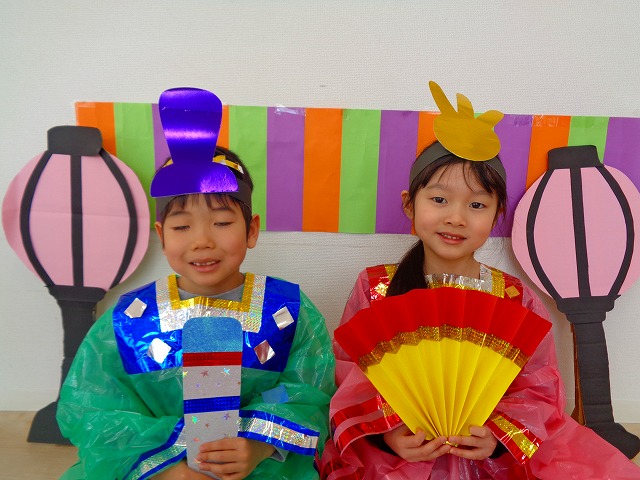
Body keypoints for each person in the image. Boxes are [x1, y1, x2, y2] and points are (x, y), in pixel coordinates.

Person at [316, 82, 640, 479]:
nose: (456, 217)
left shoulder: (515, 298)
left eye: (476, 204)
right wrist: (389, 434)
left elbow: (538, 388)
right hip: (400, 458)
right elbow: (350, 374)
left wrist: (498, 438)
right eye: (439, 199)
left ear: (497, 213)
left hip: (488, 459)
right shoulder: (376, 287)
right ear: (409, 204)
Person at [56, 87, 336, 480]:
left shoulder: (288, 311)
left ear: (251, 229)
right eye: (182, 226)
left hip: (259, 467)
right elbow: (95, 409)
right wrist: (169, 467)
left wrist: (257, 446)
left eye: (221, 222)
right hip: (154, 470)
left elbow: (309, 393)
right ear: (161, 234)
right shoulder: (129, 319)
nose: (202, 241)